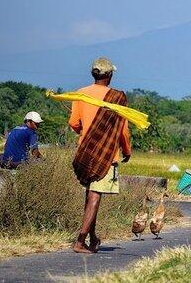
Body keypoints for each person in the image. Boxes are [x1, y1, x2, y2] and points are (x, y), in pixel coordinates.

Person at [68, 57, 132, 254]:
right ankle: (80, 240)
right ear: (110, 75)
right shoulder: (117, 97)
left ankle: (93, 238)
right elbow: (122, 130)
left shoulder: (81, 94)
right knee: (95, 196)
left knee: (90, 196)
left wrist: (88, 133)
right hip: (106, 154)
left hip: (85, 153)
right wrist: (126, 150)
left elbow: (74, 123)